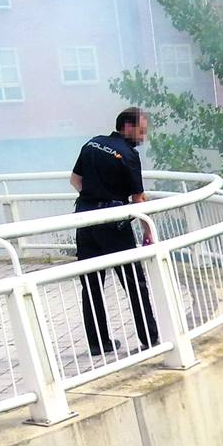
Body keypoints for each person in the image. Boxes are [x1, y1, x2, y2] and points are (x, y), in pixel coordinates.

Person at [69, 107, 159, 355]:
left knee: (91, 284)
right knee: (133, 282)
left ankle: (99, 343)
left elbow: (75, 180)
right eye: (141, 131)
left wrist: (93, 198)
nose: (143, 138)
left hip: (86, 220)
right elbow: (138, 197)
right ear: (127, 127)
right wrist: (147, 230)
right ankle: (149, 337)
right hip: (114, 223)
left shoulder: (92, 144)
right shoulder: (128, 155)